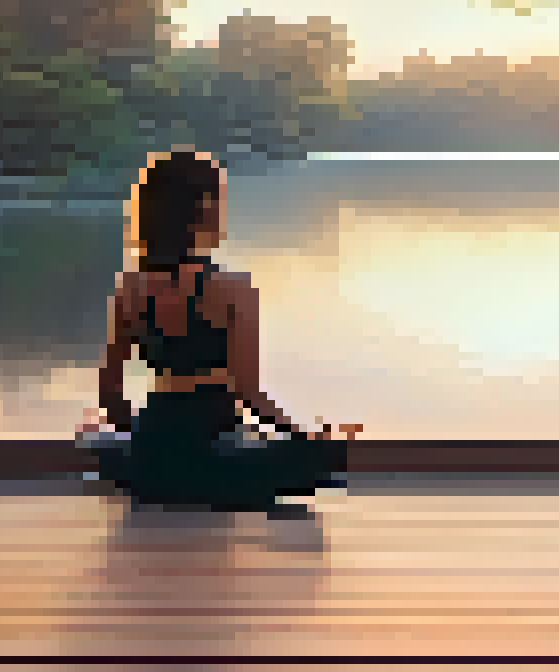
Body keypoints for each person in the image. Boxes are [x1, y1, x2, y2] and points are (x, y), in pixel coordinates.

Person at [80, 147, 355, 514]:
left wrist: (140, 435)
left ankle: (153, 473)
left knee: (105, 442)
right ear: (206, 210)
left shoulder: (130, 287)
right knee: (318, 453)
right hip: (215, 443)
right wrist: (305, 436)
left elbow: (110, 393)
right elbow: (249, 393)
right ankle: (216, 478)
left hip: (152, 451)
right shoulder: (233, 288)